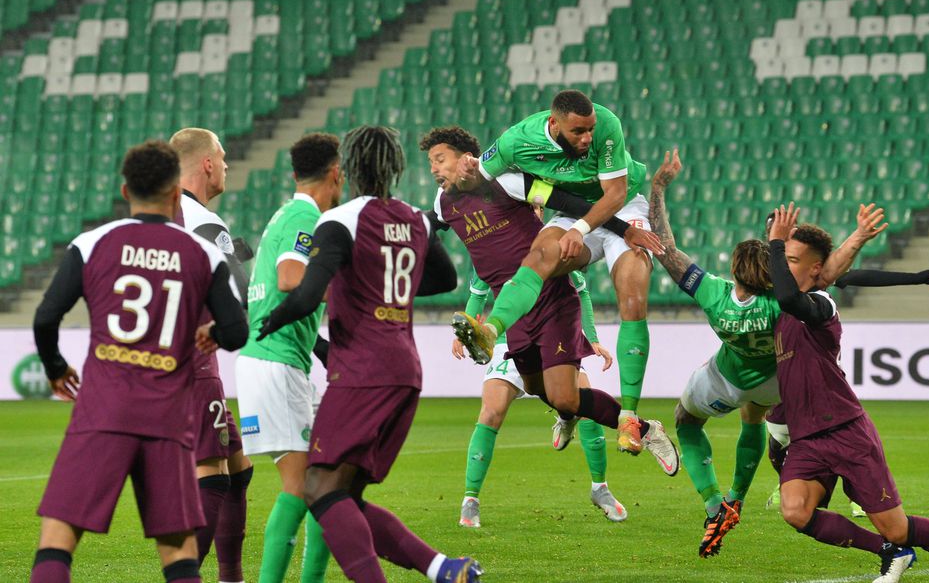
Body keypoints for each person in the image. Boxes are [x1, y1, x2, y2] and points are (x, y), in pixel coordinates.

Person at [256, 125, 481, 583]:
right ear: (394, 166)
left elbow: (305, 296)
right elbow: (443, 280)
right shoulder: (416, 219)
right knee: (345, 499)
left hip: (361, 370)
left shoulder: (342, 220)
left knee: (317, 488)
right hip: (404, 369)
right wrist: (384, 285)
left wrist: (264, 324)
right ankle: (442, 567)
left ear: (351, 168)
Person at [648, 149, 886, 558]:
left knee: (686, 423)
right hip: (776, 384)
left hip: (726, 377)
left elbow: (664, 247)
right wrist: (857, 237)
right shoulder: (782, 302)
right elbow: (825, 274)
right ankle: (739, 494)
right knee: (754, 417)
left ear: (734, 270)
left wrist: (658, 188)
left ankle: (713, 502)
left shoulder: (712, 292)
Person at [30, 140, 248, 583]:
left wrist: (56, 369)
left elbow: (46, 317)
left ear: (126, 191)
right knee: (180, 555)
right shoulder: (201, 252)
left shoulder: (93, 242)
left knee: (57, 539)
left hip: (102, 411)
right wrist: (213, 335)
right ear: (175, 193)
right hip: (167, 418)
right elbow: (237, 329)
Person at [767, 204, 929, 583]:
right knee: (796, 511)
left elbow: (794, 293)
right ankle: (888, 552)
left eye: (793, 259)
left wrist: (776, 244)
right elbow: (814, 283)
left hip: (846, 432)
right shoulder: (783, 313)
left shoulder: (820, 306)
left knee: (896, 526)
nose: (784, 264)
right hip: (807, 439)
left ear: (815, 269)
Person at [422, 125, 678, 483]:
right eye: (431, 162)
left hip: (551, 298)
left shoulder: (507, 182)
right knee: (537, 389)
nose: (434, 168)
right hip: (513, 309)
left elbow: (571, 205)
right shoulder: (441, 202)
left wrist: (625, 230)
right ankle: (570, 412)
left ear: (466, 157)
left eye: (440, 159)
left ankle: (646, 430)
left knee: (565, 397)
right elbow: (422, 235)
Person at [236, 133, 342, 583]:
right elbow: (290, 277)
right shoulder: (305, 214)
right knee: (302, 488)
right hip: (273, 364)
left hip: (279, 361)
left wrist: (320, 347)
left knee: (328, 480)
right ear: (336, 174)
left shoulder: (289, 212)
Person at [451, 268, 626, 526]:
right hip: (507, 342)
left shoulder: (551, 247)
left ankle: (600, 488)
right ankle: (470, 502)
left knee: (585, 401)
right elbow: (478, 293)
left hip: (553, 338)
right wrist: (464, 336)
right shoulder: (491, 249)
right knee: (490, 413)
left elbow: (581, 291)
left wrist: (593, 338)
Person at [762, 267, 929, 512]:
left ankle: (859, 495)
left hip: (825, 379)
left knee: (844, 438)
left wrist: (915, 277)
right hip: (785, 377)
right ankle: (785, 480)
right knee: (776, 440)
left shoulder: (815, 285)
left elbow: (858, 276)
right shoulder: (775, 286)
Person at [169, 127, 254, 583]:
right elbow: (238, 298)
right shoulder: (205, 223)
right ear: (205, 163)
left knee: (237, 469)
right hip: (195, 363)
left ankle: (231, 577)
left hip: (160, 360)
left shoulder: (157, 212)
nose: (225, 166)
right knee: (215, 472)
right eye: (221, 157)